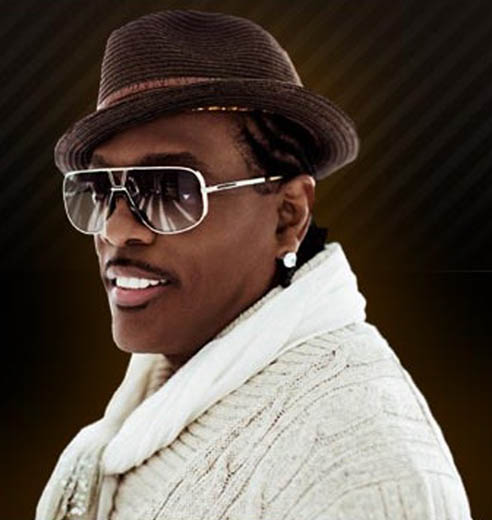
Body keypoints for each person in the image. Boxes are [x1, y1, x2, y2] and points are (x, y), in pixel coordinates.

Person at [36, 9, 472, 520]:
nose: (115, 229)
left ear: (289, 216)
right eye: (98, 190)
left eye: (170, 190)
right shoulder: (151, 403)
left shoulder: (363, 469)